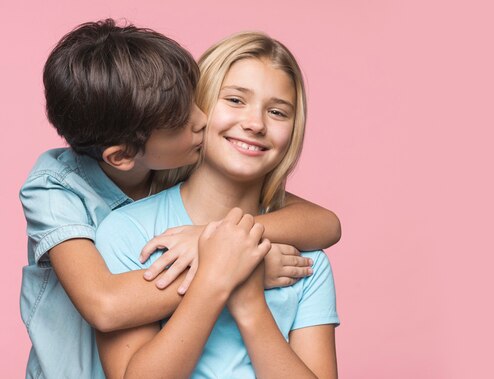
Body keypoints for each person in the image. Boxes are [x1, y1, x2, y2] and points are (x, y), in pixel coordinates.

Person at [20, 20, 340, 378]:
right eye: (180, 120)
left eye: (278, 111)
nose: (200, 121)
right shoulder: (60, 192)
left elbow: (327, 223)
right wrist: (232, 268)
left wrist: (220, 237)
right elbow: (106, 305)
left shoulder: (167, 158)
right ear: (123, 156)